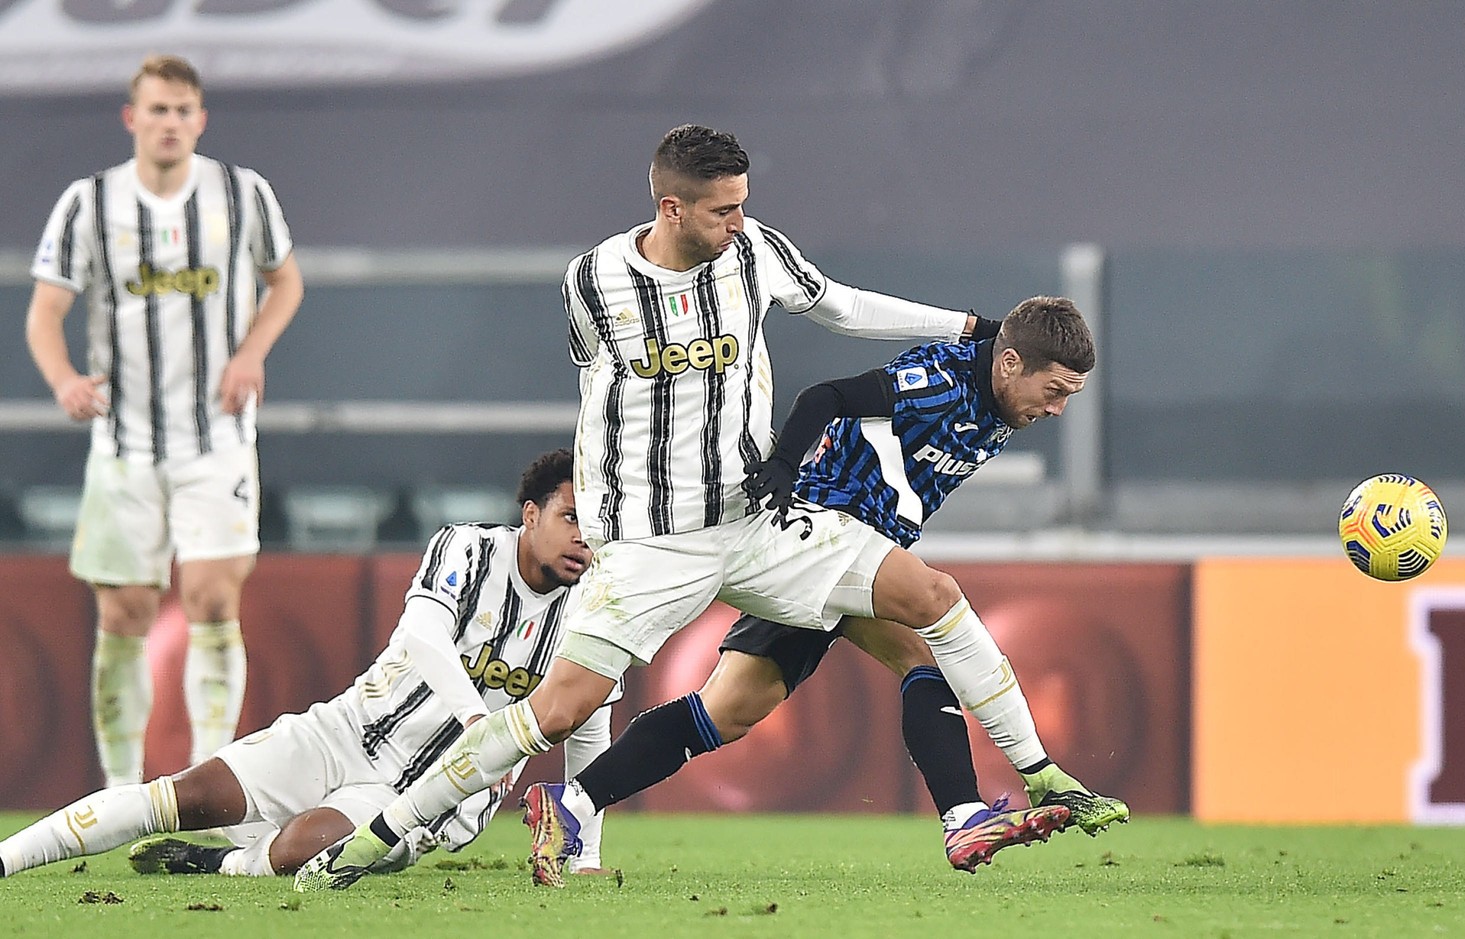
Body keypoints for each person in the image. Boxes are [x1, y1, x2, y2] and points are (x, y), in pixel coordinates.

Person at [295, 124, 1109, 892]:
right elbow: (595, 384)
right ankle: (381, 832)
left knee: (930, 598)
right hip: (652, 541)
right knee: (561, 708)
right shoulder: (594, 279)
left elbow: (842, 305)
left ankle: (1029, 773)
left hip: (756, 520)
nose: (739, 222)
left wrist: (974, 325)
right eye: (723, 209)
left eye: (743, 203)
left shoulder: (756, 253)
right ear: (671, 207)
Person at [525, 296, 1129, 880]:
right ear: (1010, 363)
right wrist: (785, 466)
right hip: (823, 535)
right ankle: (980, 805)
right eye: (1054, 393)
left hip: (847, 551)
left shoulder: (1001, 397)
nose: (1056, 411)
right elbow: (827, 398)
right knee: (933, 617)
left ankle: (572, 806)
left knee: (727, 713)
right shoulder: (942, 381)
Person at [0, 449, 615, 879]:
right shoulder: (469, 548)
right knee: (179, 797)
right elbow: (424, 634)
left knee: (306, 846)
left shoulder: (597, 606)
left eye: (597, 522)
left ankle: (227, 865)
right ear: (530, 514)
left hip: (434, 798)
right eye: (569, 517)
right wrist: (482, 721)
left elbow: (589, 726)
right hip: (345, 731)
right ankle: (7, 859)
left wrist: (585, 851)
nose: (583, 536)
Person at [24, 54, 305, 788]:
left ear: (200, 118)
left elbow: (286, 281)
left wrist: (251, 352)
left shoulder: (243, 195)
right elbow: (45, 313)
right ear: (132, 118)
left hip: (216, 435)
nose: (170, 122)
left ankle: (202, 778)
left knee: (214, 596)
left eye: (183, 110)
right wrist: (62, 380)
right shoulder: (88, 204)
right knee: (125, 612)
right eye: (157, 109)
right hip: (125, 443)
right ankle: (120, 791)